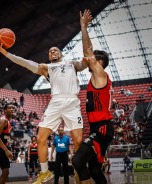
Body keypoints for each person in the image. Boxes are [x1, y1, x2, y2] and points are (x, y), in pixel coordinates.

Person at [0, 29, 88, 184]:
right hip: (55, 102)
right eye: (50, 51)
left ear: (61, 54)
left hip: (72, 102)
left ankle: (79, 168)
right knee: (40, 137)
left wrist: (84, 29)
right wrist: (6, 54)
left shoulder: (71, 64)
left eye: (55, 50)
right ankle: (45, 172)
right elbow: (25, 63)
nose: (52, 52)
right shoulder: (46, 68)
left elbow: (85, 62)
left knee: (78, 141)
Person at [71, 9, 114, 184]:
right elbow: (89, 53)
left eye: (94, 58)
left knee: (77, 160)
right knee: (95, 169)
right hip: (100, 128)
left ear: (99, 63)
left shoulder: (100, 74)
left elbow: (87, 51)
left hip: (102, 128)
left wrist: (83, 27)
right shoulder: (97, 78)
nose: (90, 59)